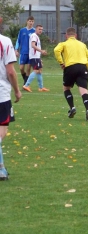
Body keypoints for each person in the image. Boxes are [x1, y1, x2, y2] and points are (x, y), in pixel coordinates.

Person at [54, 27, 88, 121]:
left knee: (66, 88)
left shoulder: (64, 43)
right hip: (83, 67)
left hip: (70, 67)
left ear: (66, 36)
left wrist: (61, 62)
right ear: (75, 35)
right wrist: (86, 68)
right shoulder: (82, 44)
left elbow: (56, 50)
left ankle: (72, 108)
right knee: (84, 91)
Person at [0, 18, 22, 180]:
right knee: (2, 132)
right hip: (1, 95)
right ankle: (1, 169)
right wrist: (17, 91)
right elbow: (11, 72)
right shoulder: (5, 41)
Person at [22, 25, 49, 92]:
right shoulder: (34, 36)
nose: (40, 31)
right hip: (34, 57)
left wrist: (39, 57)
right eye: (39, 29)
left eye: (41, 29)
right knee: (36, 70)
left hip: (36, 57)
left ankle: (41, 87)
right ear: (36, 29)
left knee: (39, 71)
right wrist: (41, 51)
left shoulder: (36, 36)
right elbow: (33, 45)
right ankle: (26, 85)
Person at [15, 16, 35, 86]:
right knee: (21, 68)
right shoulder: (22, 30)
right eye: (30, 21)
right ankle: (26, 81)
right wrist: (16, 50)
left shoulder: (34, 31)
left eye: (32, 21)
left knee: (28, 68)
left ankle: (26, 85)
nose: (31, 23)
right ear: (27, 21)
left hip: (31, 53)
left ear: (33, 22)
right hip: (23, 52)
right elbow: (18, 41)